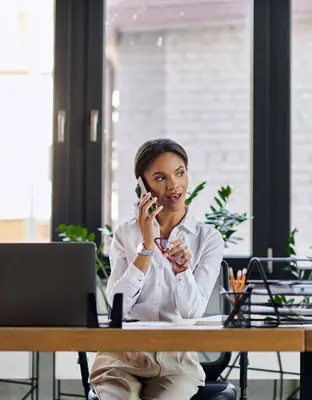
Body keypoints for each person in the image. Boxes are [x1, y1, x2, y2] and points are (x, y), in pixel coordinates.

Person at [89, 138, 225, 400]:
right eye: (160, 177)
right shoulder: (125, 234)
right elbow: (119, 305)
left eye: (180, 173)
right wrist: (146, 246)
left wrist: (182, 271)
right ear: (143, 186)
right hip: (120, 358)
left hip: (175, 362)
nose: (174, 185)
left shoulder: (207, 238)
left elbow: (192, 311)